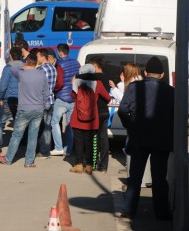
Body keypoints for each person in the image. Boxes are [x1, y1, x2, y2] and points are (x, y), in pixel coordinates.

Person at [117, 57, 174, 220]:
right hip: (162, 140)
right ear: (162, 74)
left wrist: (131, 125)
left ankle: (129, 210)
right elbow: (177, 117)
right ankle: (161, 213)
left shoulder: (134, 87)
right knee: (159, 178)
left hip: (138, 138)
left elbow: (122, 110)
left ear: (145, 72)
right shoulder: (171, 92)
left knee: (135, 177)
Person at [0, 53, 49, 167]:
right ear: (36, 63)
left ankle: (8, 158)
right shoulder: (42, 75)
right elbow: (46, 93)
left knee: (17, 135)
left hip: (24, 108)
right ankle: (29, 162)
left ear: (27, 62)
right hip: (38, 109)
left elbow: (12, 68)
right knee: (33, 136)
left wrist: (24, 66)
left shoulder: (21, 74)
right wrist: (42, 104)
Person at [69, 64, 111, 175]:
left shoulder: (77, 82)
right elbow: (108, 98)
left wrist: (73, 82)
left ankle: (78, 164)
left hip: (77, 118)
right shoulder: (98, 83)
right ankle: (89, 165)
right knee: (90, 142)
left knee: (78, 142)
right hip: (92, 119)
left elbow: (72, 96)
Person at [50, 43, 80, 156]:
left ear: (60, 52)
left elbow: (59, 82)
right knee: (69, 124)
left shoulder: (59, 65)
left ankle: (58, 147)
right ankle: (68, 149)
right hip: (73, 97)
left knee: (54, 121)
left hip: (62, 97)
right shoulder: (76, 63)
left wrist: (55, 90)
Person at [0, 47, 23, 150]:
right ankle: (17, 145)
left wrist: (0, 97)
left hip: (9, 99)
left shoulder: (8, 68)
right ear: (20, 56)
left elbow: (3, 85)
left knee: (0, 123)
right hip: (21, 100)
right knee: (18, 123)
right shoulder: (25, 67)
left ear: (10, 56)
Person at [88, 57, 112, 172]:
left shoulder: (92, 78)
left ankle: (93, 163)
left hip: (94, 111)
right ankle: (103, 165)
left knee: (93, 137)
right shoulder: (107, 77)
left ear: (95, 66)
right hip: (104, 111)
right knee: (104, 138)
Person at [36, 48, 57, 159]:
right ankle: (46, 150)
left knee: (39, 127)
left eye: (38, 56)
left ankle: (41, 150)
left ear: (43, 57)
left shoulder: (40, 70)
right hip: (51, 100)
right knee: (47, 127)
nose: (37, 59)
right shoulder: (53, 68)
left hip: (41, 101)